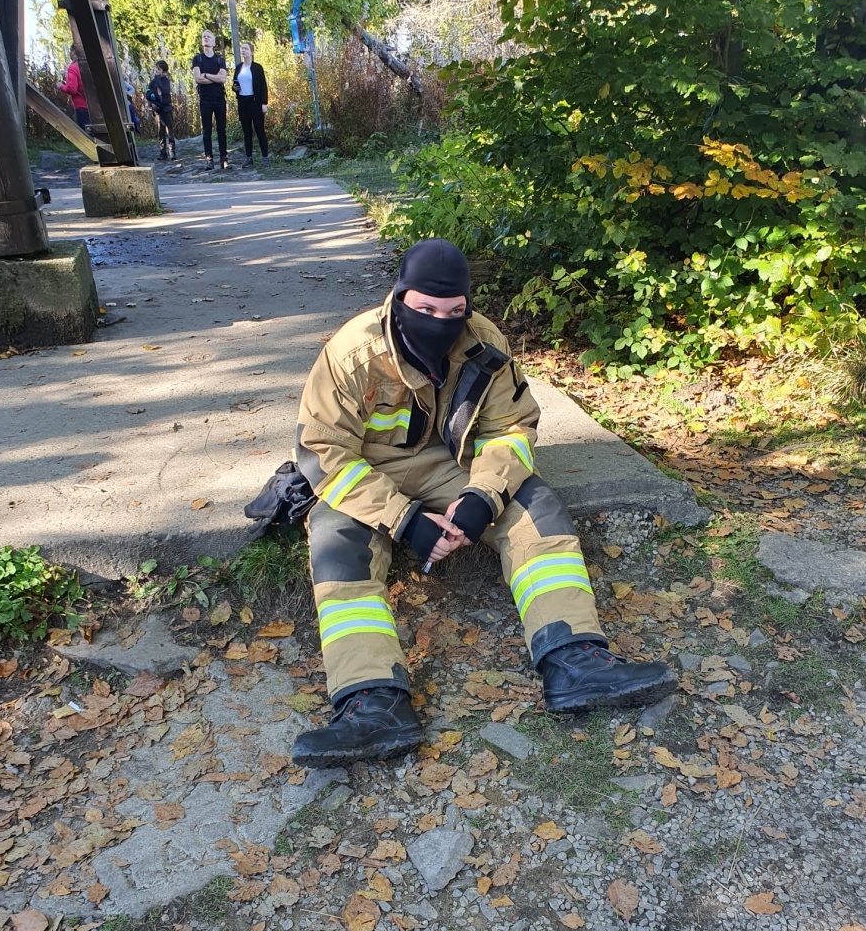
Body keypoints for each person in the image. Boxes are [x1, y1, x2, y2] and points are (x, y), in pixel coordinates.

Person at [290, 238, 678, 768]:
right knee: (336, 542)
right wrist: (403, 521)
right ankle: (371, 700)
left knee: (535, 506)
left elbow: (512, 427)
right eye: (424, 309)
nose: (439, 321)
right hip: (367, 469)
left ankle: (572, 659)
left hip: (449, 463)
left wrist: (481, 495)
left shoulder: (483, 342)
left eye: (453, 311)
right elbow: (324, 452)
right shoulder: (351, 352)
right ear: (399, 297)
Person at [192, 29, 227, 170]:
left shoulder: (219, 60)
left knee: (222, 130)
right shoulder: (198, 59)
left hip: (219, 99)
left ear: (213, 42)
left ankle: (224, 159)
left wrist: (206, 74)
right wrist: (215, 78)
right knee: (207, 131)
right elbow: (197, 78)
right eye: (204, 37)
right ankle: (209, 159)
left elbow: (223, 78)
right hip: (205, 100)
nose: (206, 38)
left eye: (208, 37)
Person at [232, 42, 269, 165]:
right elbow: (235, 83)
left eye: (246, 49)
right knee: (246, 132)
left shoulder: (257, 68)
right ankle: (249, 157)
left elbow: (263, 85)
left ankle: (265, 156)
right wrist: (234, 88)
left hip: (255, 102)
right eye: (242, 49)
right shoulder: (238, 68)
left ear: (251, 52)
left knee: (259, 130)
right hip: (243, 101)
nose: (244, 51)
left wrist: (264, 103)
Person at [146, 60, 175, 160]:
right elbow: (148, 93)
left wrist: (158, 81)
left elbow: (165, 91)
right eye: (156, 68)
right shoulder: (153, 82)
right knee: (160, 132)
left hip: (166, 108)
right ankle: (163, 152)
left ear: (163, 71)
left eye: (159, 69)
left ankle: (172, 151)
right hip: (158, 110)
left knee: (169, 129)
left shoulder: (165, 81)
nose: (156, 71)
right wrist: (151, 104)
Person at [59, 47, 89, 130]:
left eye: (70, 51)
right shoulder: (88, 66)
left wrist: (61, 86)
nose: (69, 53)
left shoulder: (73, 67)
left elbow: (72, 89)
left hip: (81, 106)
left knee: (85, 136)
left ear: (74, 51)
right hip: (94, 106)